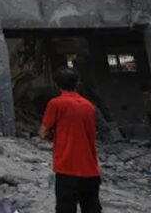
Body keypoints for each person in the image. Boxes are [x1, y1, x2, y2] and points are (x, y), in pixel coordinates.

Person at [40, 70, 101, 213]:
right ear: (76, 84)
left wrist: (56, 136)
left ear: (57, 85)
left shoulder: (56, 104)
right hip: (90, 169)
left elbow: (43, 133)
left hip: (67, 168)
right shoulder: (89, 106)